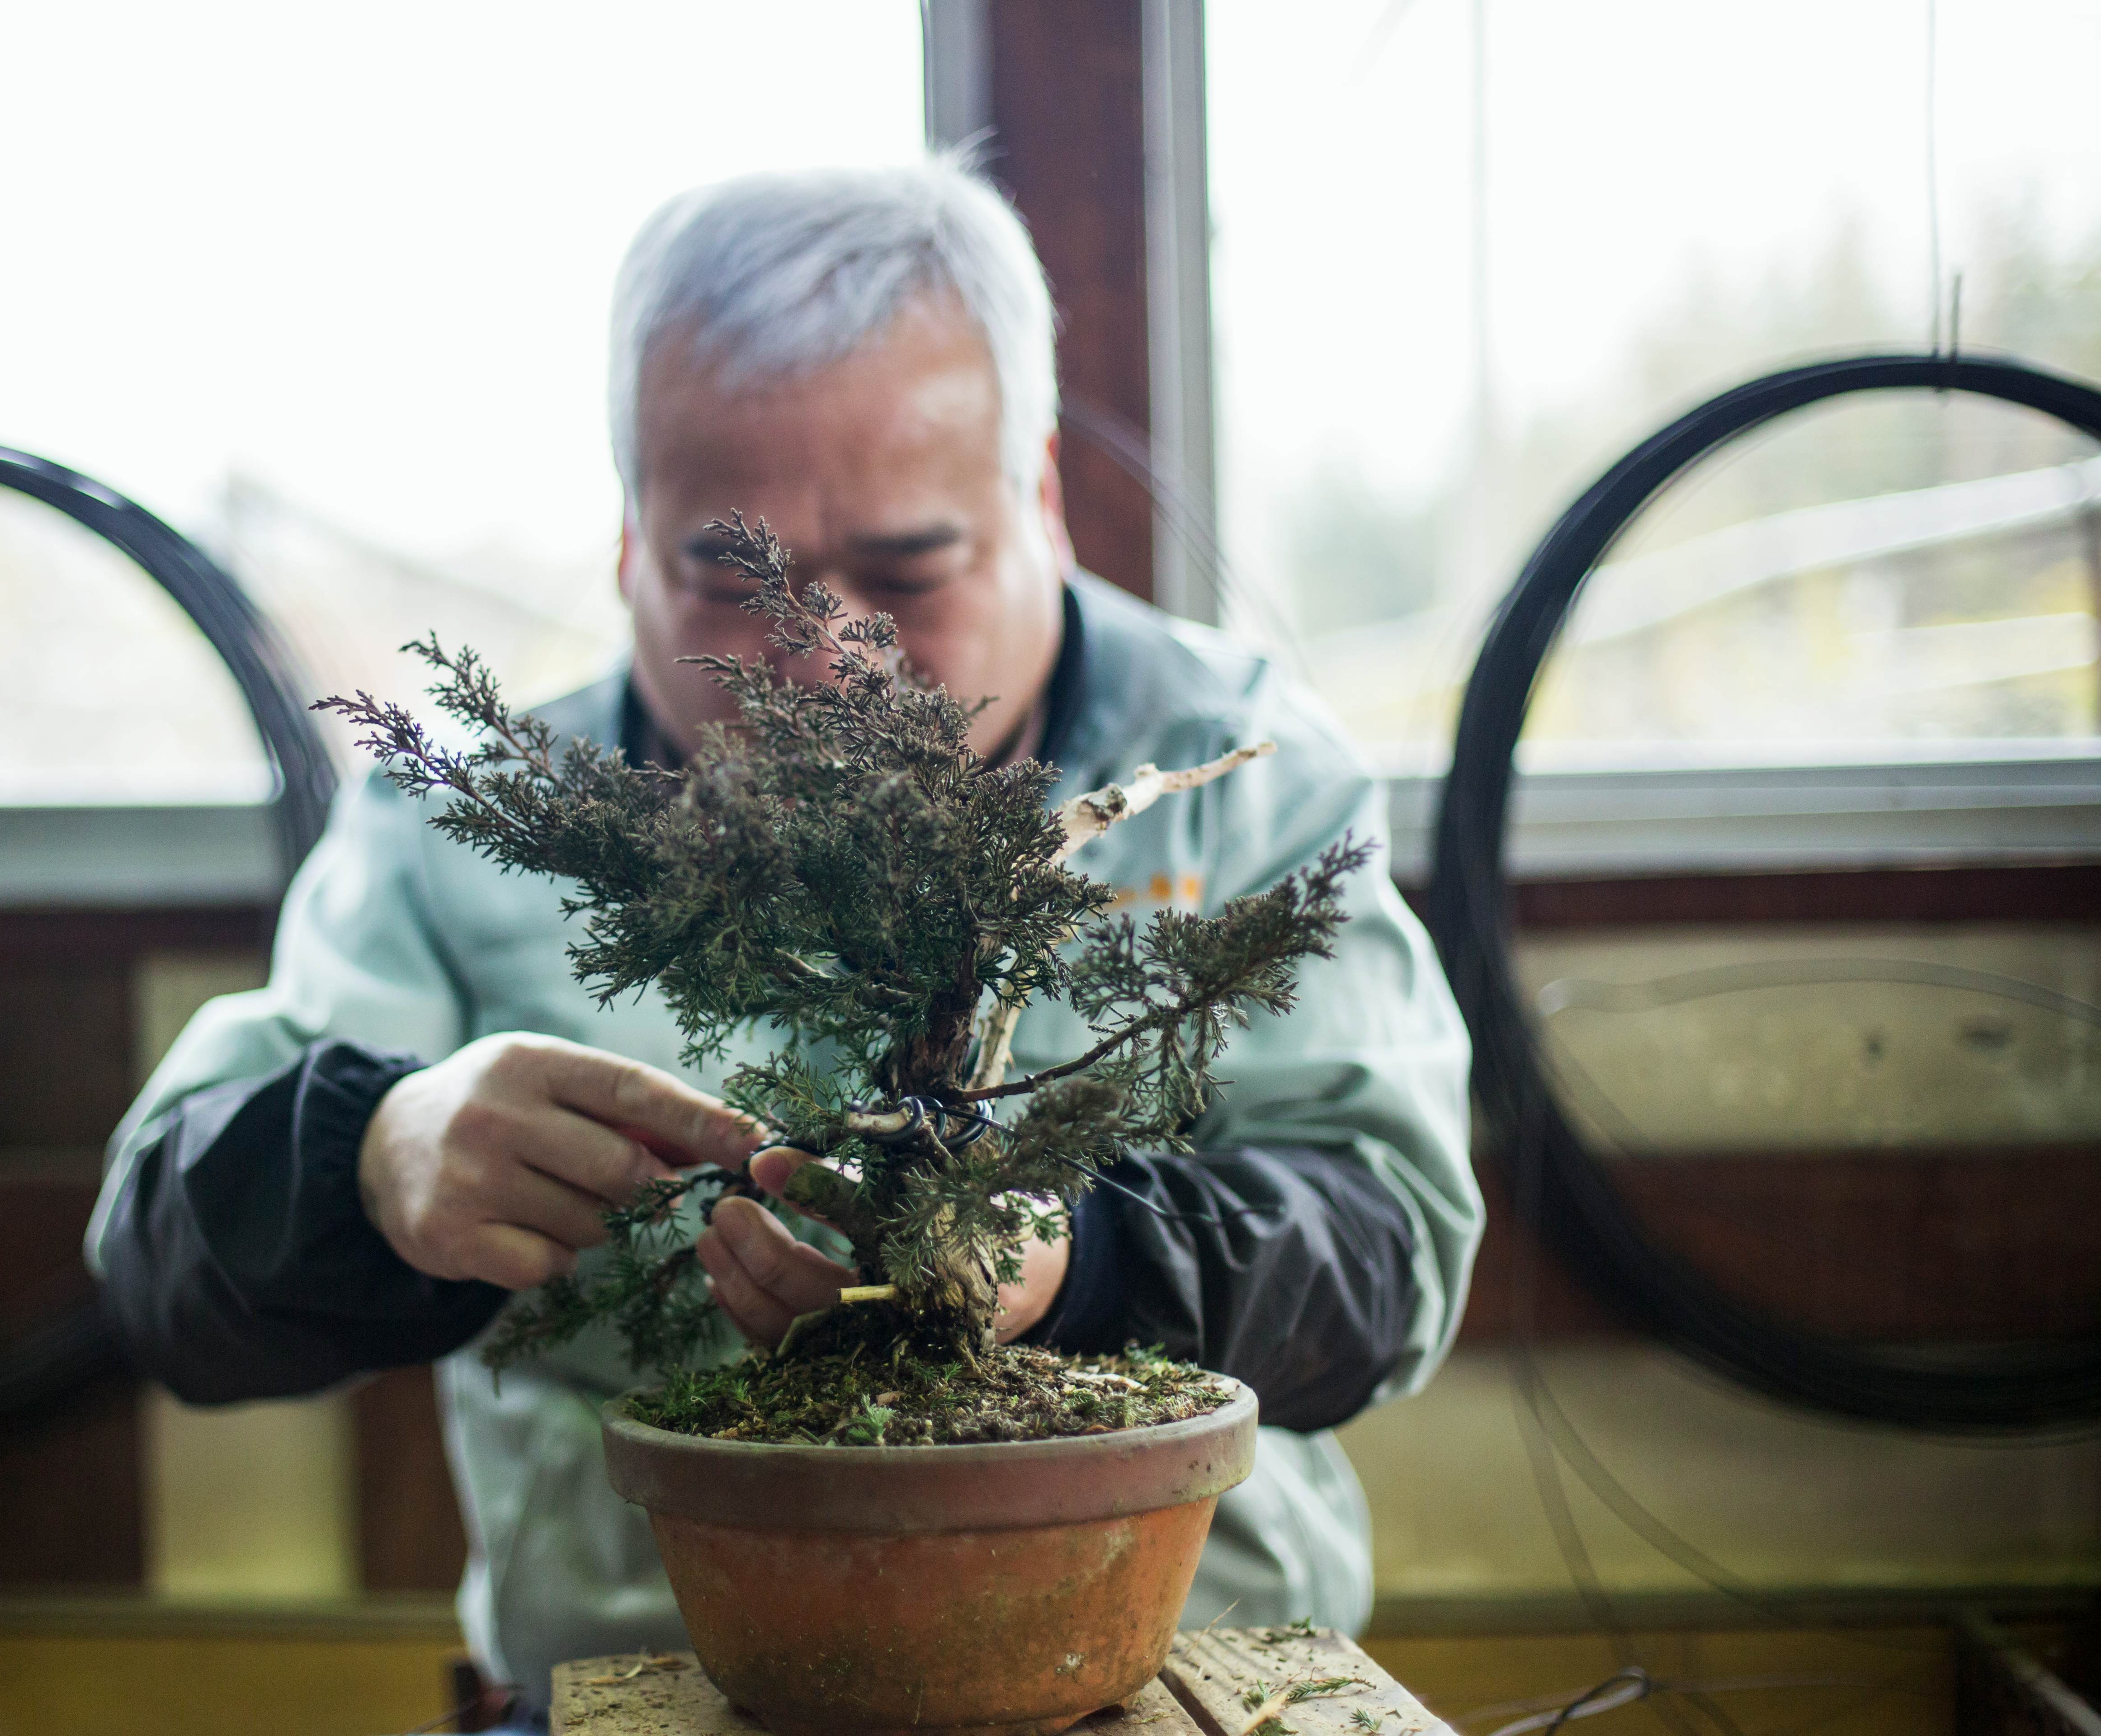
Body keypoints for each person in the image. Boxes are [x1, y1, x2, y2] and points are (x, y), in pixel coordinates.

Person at [87, 155, 1480, 1706]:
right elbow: (158, 1269)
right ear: (627, 544)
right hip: (641, 1695)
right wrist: (367, 1159)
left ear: (1041, 504)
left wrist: (1076, 1261)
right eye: (734, 577)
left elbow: (1390, 1247)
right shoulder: (458, 838)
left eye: (907, 569)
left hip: (1184, 1682)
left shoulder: (1236, 777)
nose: (829, 656)